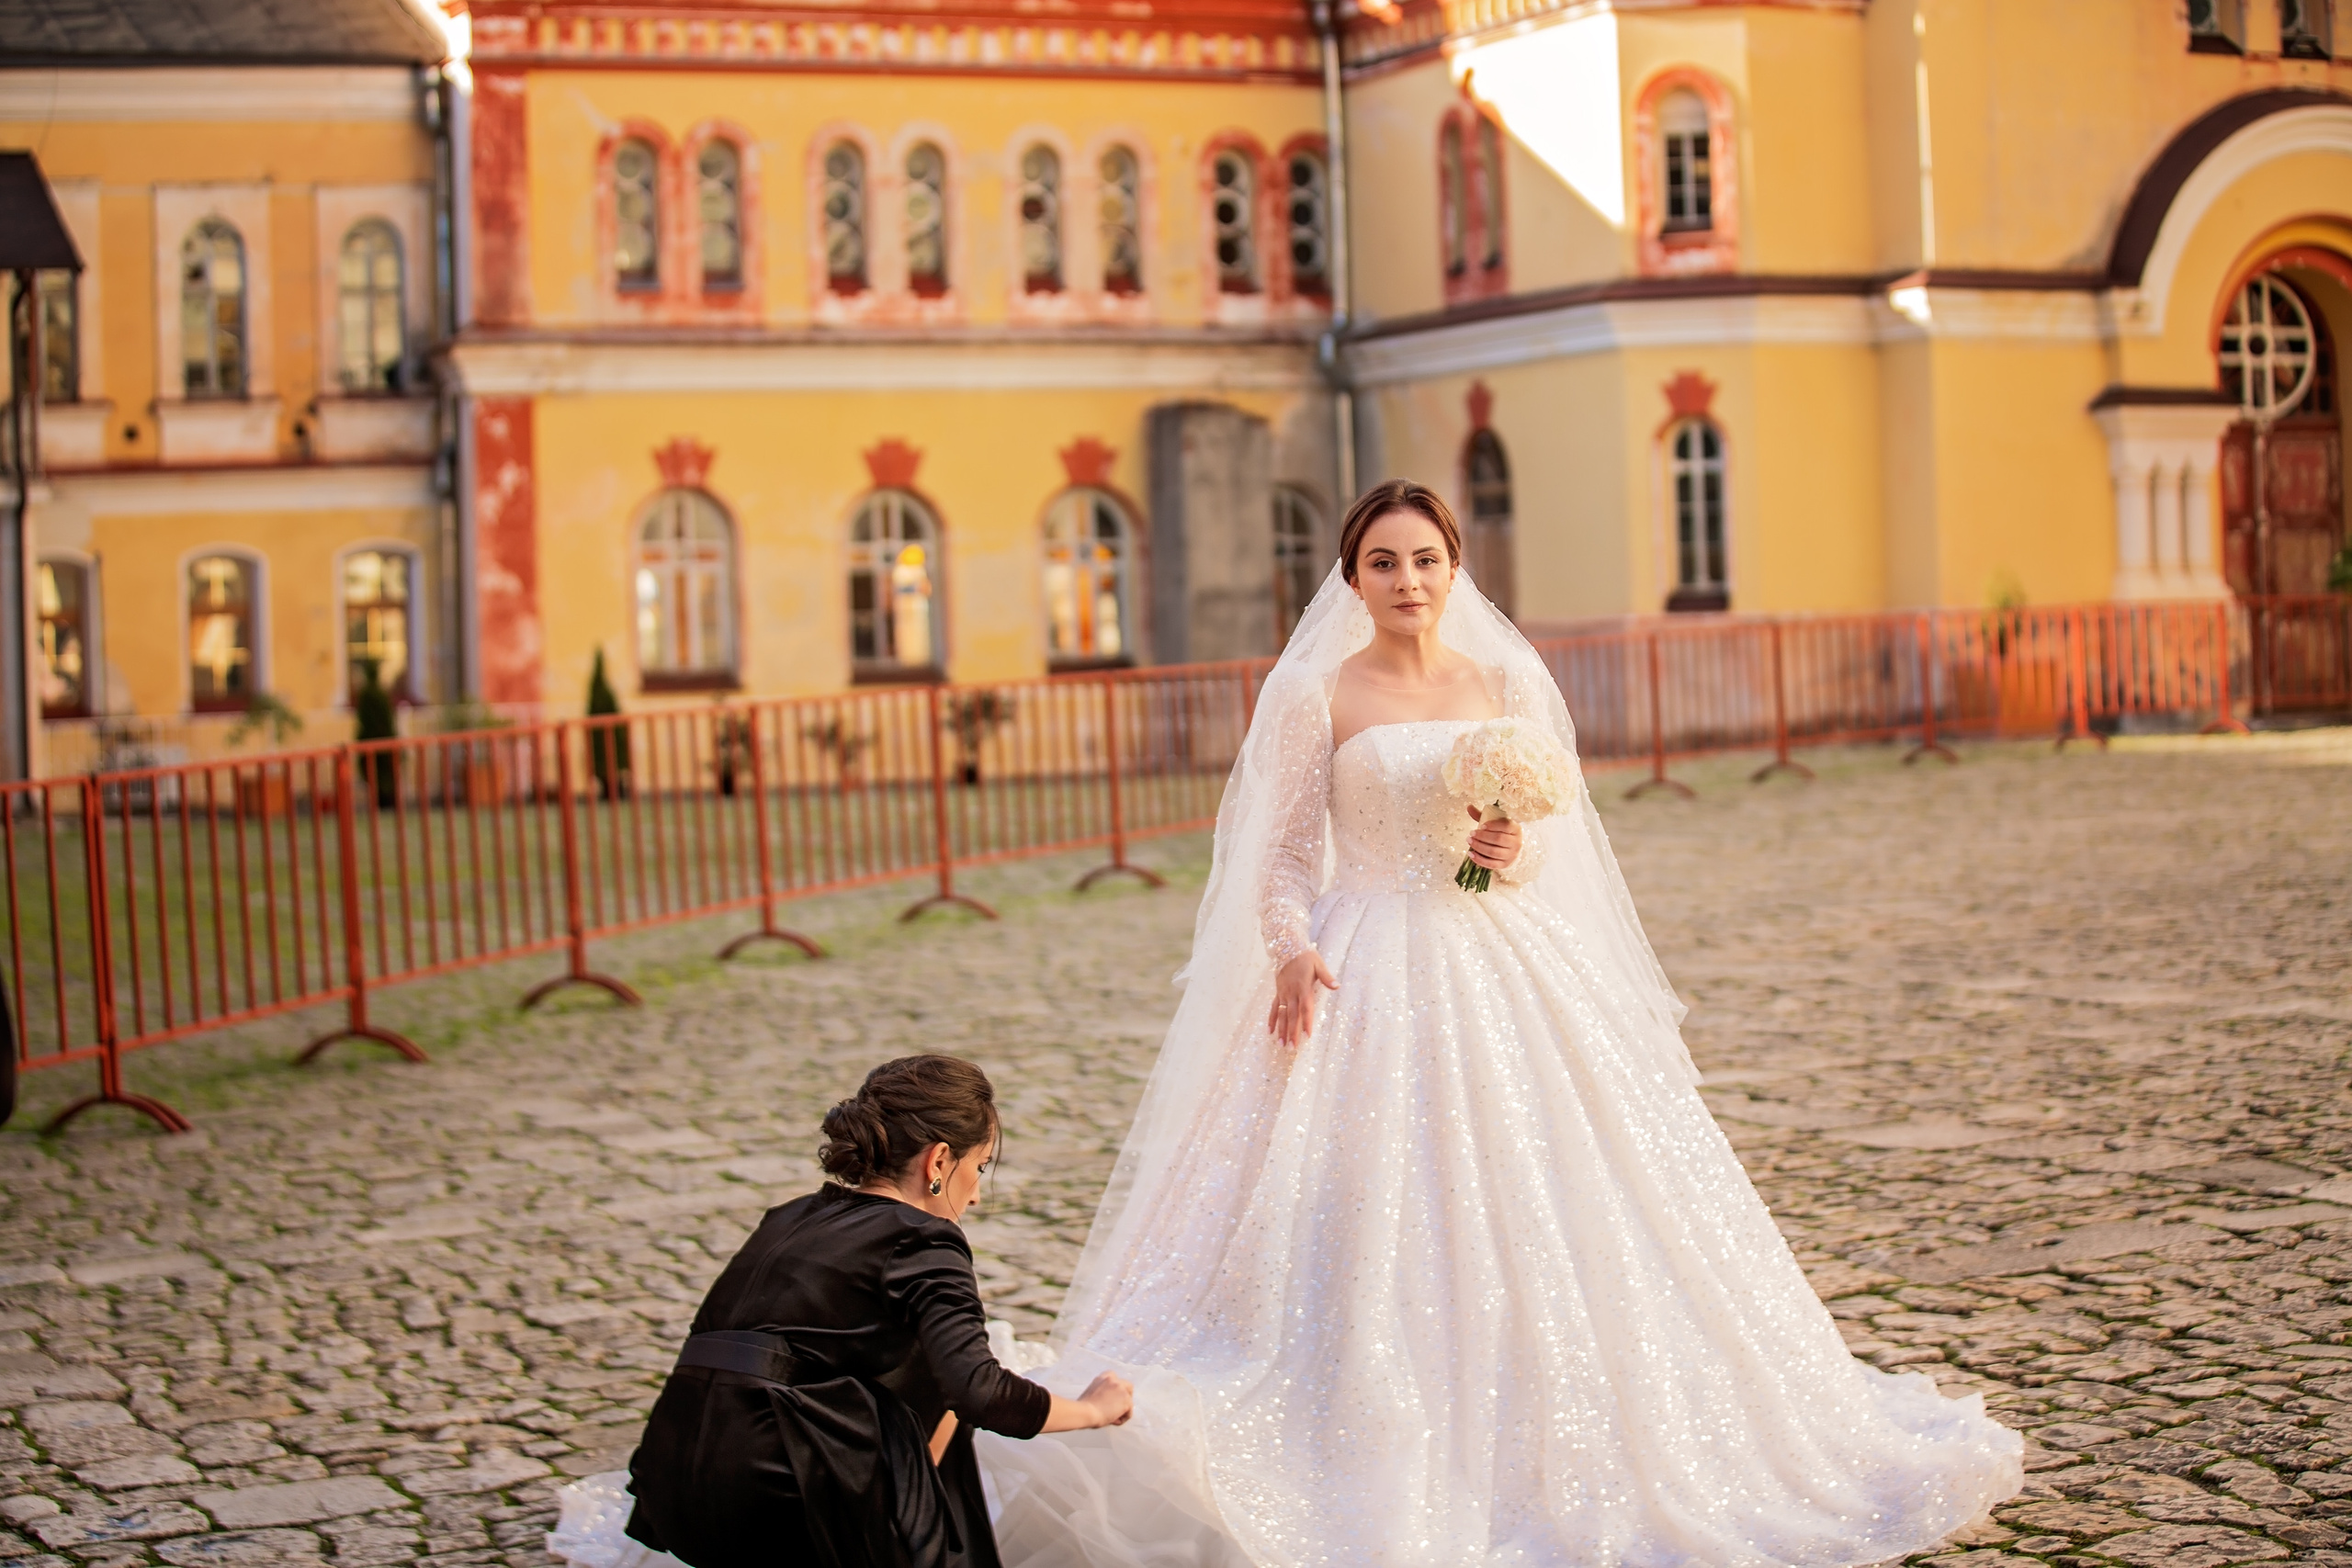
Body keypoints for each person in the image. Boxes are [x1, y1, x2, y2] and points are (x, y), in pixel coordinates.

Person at [976, 480, 2024, 1567]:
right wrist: (1290, 948)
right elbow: (1281, 855)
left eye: (1425, 559)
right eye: (1383, 563)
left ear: (1455, 567)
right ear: (1352, 579)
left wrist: (1513, 851)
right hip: (1362, 960)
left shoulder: (1504, 680)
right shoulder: (1314, 693)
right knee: (1353, 1197)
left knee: (1571, 1177)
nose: (1407, 581)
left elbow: (1548, 839)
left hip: (1498, 955)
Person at [547, 1055, 1134, 1568]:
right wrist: (1091, 1410)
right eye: (979, 1168)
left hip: (674, 1485)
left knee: (924, 1361)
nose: (976, 1194)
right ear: (938, 1162)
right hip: (781, 1502)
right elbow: (981, 1394)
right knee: (949, 1375)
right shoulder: (924, 1238)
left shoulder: (790, 1216)